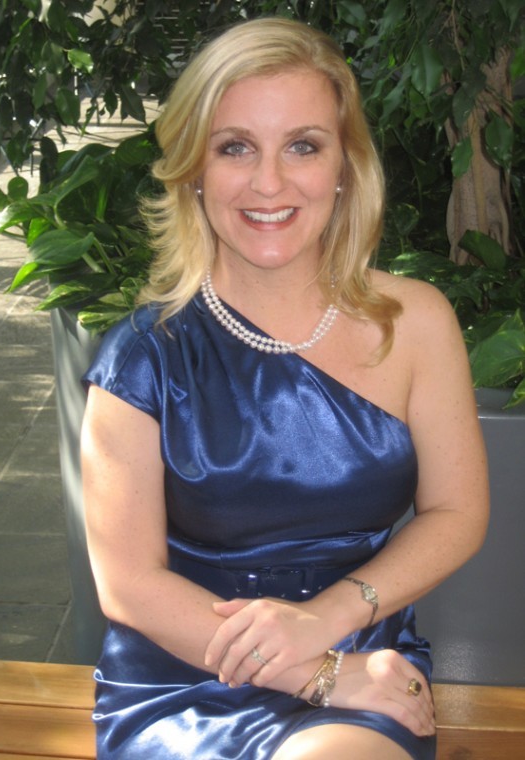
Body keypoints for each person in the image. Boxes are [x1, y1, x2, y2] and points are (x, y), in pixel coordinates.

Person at [81, 17, 489, 760]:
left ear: (344, 166)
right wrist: (318, 673)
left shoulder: (416, 323)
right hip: (185, 675)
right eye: (235, 147)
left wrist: (328, 622)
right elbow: (130, 584)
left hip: (361, 649)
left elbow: (457, 513)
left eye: (303, 145)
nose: (269, 182)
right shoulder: (142, 356)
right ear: (194, 169)